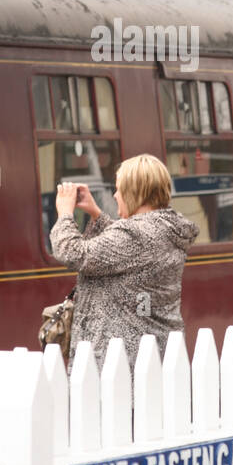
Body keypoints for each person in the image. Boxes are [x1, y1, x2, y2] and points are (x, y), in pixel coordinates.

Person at [49, 154, 198, 371]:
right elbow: (122, 252)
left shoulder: (136, 234)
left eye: (119, 189)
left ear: (134, 191)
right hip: (152, 358)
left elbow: (73, 253)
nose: (115, 195)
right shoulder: (163, 229)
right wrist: (96, 214)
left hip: (122, 367)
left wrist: (64, 214)